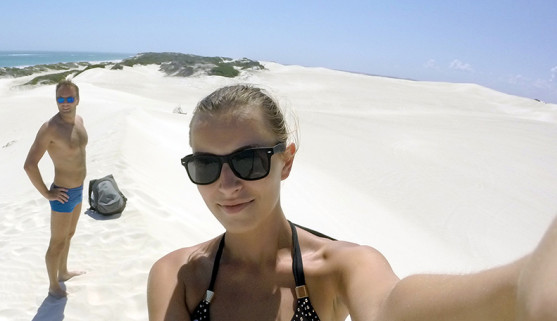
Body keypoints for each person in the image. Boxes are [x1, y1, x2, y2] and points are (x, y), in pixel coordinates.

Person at [146, 84, 557, 321]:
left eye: (247, 161)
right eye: (205, 166)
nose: (227, 184)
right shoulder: (179, 276)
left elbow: (391, 307)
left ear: (285, 161)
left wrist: (519, 287)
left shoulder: (339, 267)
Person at [24, 79, 88, 298]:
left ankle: (64, 272)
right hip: (62, 194)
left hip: (79, 190)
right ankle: (53, 286)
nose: (65, 103)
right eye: (60, 99)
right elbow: (29, 165)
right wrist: (46, 193)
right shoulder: (50, 128)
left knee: (69, 235)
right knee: (57, 242)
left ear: (77, 99)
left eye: (69, 98)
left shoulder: (79, 120)